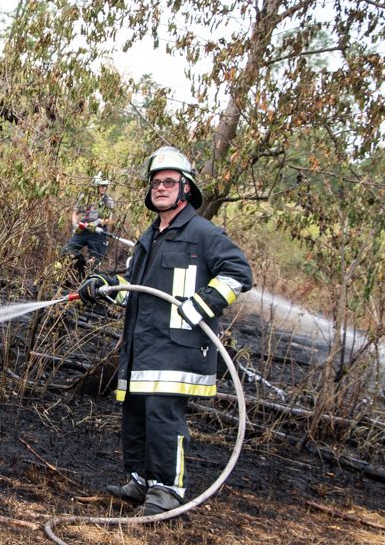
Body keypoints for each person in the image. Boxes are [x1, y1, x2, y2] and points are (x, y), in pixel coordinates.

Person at [77, 146, 252, 515]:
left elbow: (239, 274)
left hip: (177, 347)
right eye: (156, 182)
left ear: (186, 189)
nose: (161, 187)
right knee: (136, 415)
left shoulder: (203, 233)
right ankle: (140, 481)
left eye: (169, 181)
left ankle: (166, 493)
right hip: (141, 346)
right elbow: (134, 287)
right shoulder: (149, 237)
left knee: (162, 418)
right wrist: (103, 286)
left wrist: (200, 306)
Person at [62, 172, 116, 279]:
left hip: (97, 233)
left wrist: (98, 222)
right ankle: (76, 275)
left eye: (105, 186)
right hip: (82, 230)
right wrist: (75, 225)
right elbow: (75, 213)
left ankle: (90, 283)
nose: (104, 188)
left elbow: (111, 219)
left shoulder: (108, 201)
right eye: (101, 186)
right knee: (67, 251)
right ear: (95, 186)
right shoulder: (85, 197)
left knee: (95, 263)